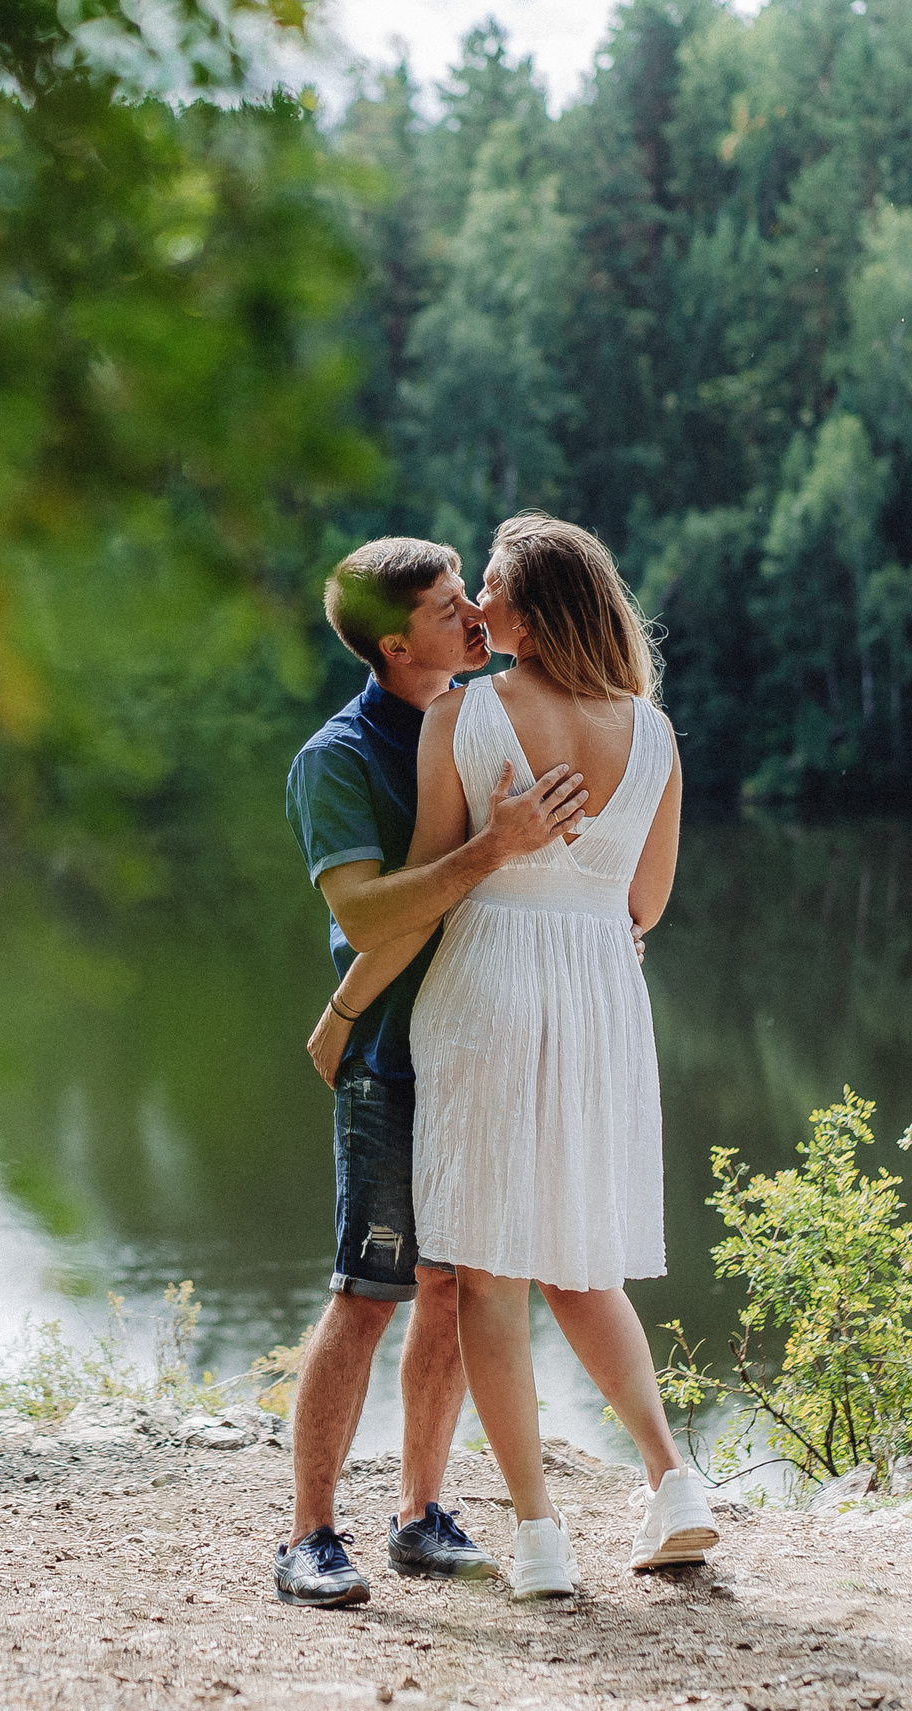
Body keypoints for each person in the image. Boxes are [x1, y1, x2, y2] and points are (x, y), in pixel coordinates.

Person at [310, 512, 715, 1601]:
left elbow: (439, 879)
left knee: (486, 1277)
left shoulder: (465, 713)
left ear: (531, 610)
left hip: (487, 988)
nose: (477, 607)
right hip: (599, 996)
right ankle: (674, 1484)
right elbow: (646, 905)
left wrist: (343, 1010)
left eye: (487, 588)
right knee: (582, 1261)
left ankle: (538, 1538)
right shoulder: (655, 732)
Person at [275, 536, 590, 1608]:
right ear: (394, 641)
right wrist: (489, 852)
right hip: (393, 1063)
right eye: (451, 606)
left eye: (471, 597)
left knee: (455, 1289)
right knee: (367, 1293)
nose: (475, 617)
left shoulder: (492, 715)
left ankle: (419, 1513)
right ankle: (310, 1534)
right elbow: (364, 910)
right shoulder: (337, 758)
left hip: (488, 1051)